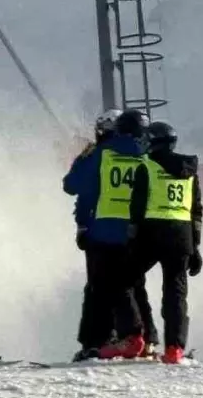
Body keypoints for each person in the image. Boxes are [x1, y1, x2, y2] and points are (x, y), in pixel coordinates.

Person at [65, 109, 158, 360]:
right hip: (140, 232)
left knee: (99, 288)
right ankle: (148, 340)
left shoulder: (100, 154)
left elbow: (71, 185)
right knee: (135, 286)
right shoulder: (148, 154)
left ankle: (98, 342)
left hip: (103, 231)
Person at [129, 121, 203, 365]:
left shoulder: (146, 167)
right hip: (182, 236)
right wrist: (196, 247)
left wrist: (132, 237)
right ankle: (175, 349)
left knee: (126, 278)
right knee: (176, 292)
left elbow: (137, 209)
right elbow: (196, 211)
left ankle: (141, 335)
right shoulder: (191, 171)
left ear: (153, 142)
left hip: (152, 232)